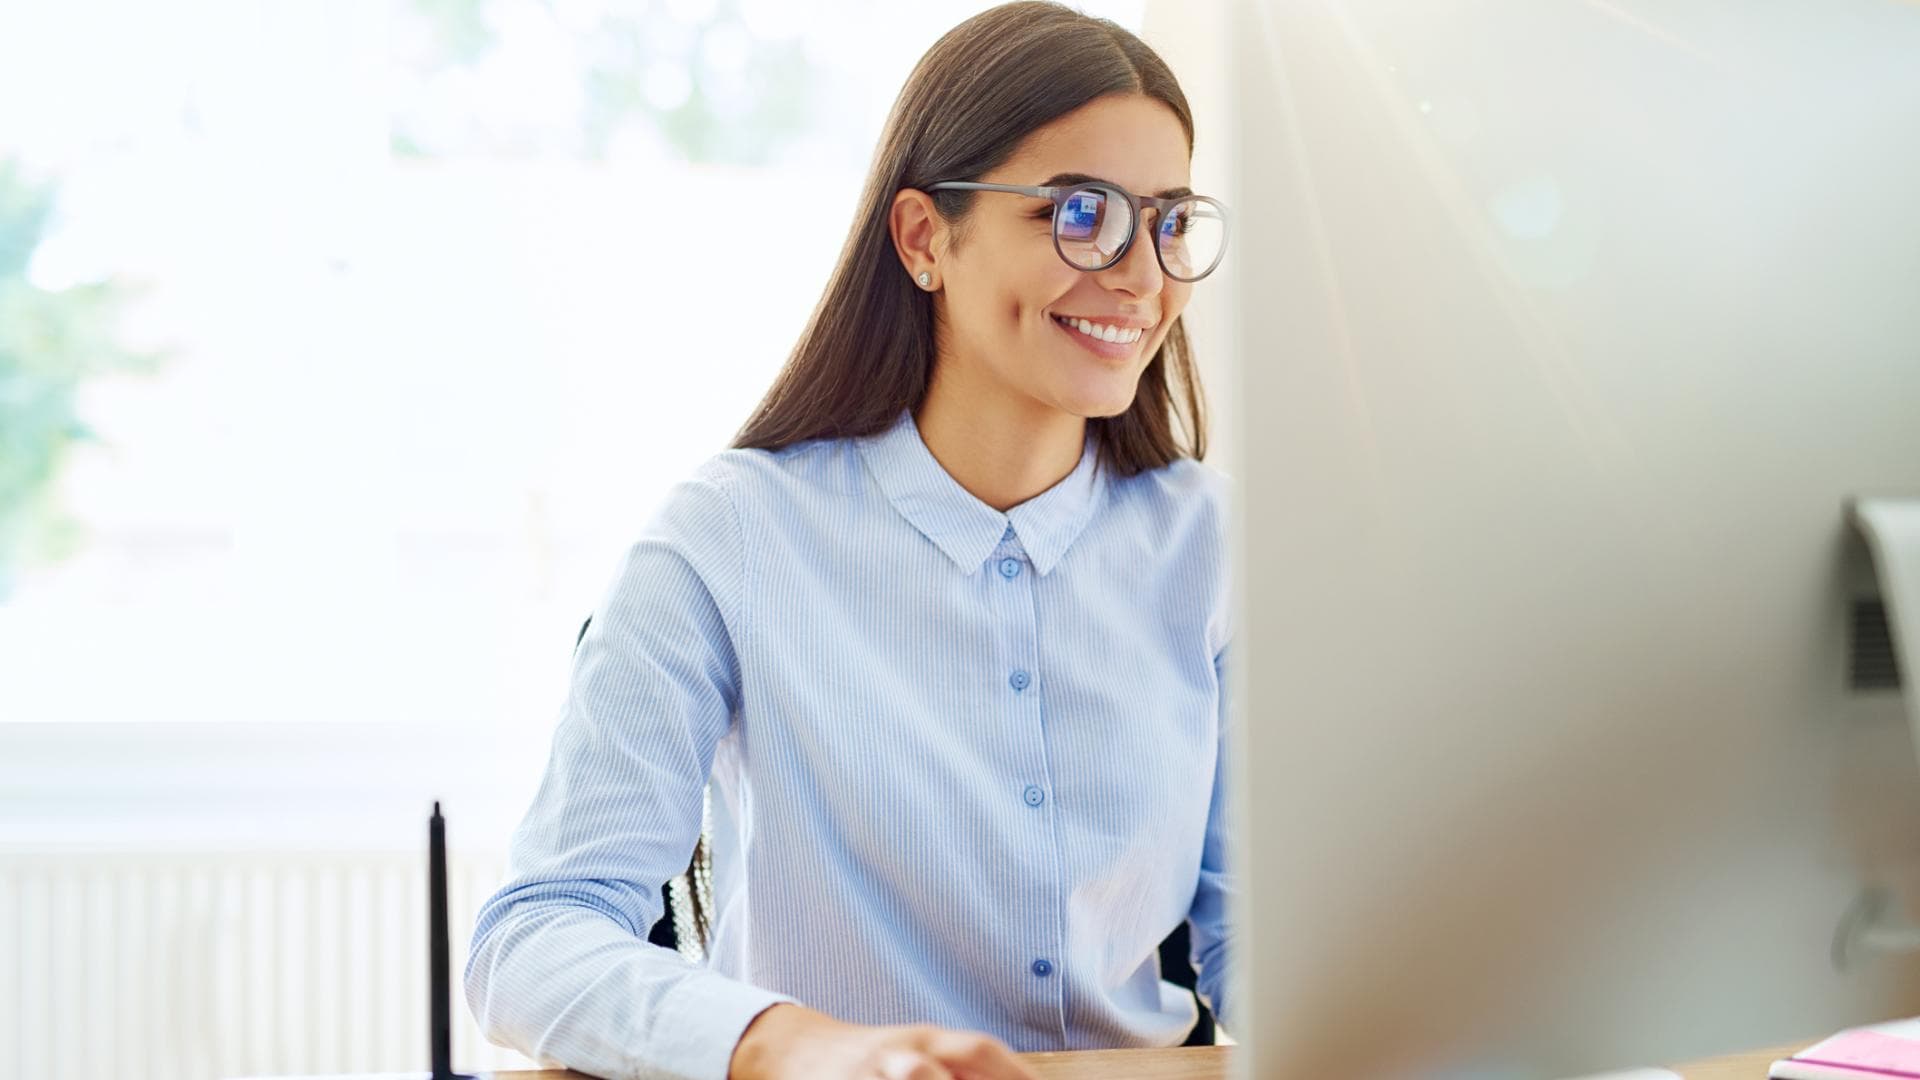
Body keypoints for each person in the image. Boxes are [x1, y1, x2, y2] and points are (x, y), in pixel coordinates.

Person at [465, 4, 1234, 1079]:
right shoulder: (731, 539)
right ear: (925, 237)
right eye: (1080, 214)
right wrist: (797, 1047)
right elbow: (531, 942)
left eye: (1168, 223)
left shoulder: (1215, 548)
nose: (1144, 278)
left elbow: (1276, 945)